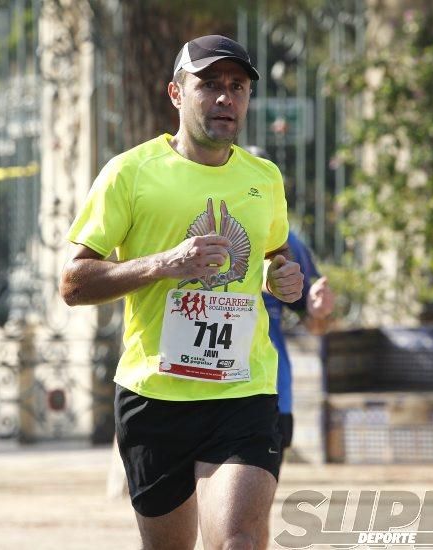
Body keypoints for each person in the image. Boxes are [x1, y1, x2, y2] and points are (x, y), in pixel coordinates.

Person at [59, 35, 303, 550]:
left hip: (243, 389)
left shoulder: (265, 177)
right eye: (209, 84)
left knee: (238, 539)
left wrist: (280, 276)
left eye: (237, 87)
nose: (225, 98)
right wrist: (166, 263)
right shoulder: (130, 173)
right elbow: (73, 283)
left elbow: (273, 256)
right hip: (155, 395)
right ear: (176, 93)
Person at [244, 146, 334, 464]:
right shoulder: (201, 232)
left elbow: (314, 324)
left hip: (271, 391)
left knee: (251, 506)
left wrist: (318, 311)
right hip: (203, 390)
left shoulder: (289, 244)